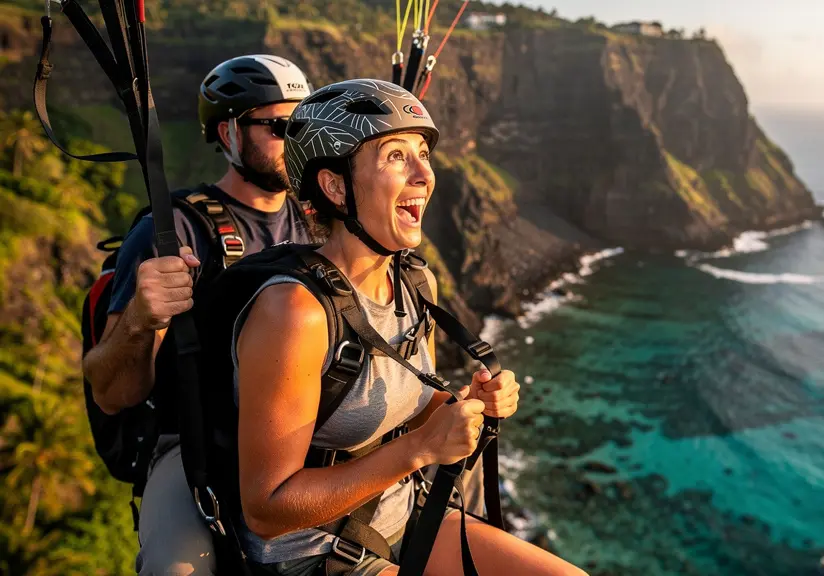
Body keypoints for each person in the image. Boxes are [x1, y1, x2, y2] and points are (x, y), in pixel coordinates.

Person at [230, 79, 588, 575]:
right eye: (396, 156)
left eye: (423, 153)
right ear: (335, 187)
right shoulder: (294, 312)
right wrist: (420, 449)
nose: (425, 174)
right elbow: (266, 508)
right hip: (318, 555)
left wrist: (468, 405)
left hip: (408, 518)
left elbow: (414, 404)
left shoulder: (416, 281)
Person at [82, 54, 315, 575]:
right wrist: (143, 317)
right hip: (195, 445)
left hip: (296, 432)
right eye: (280, 127)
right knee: (176, 568)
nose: (296, 140)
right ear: (230, 133)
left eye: (305, 126)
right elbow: (111, 391)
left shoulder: (318, 222)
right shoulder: (173, 233)